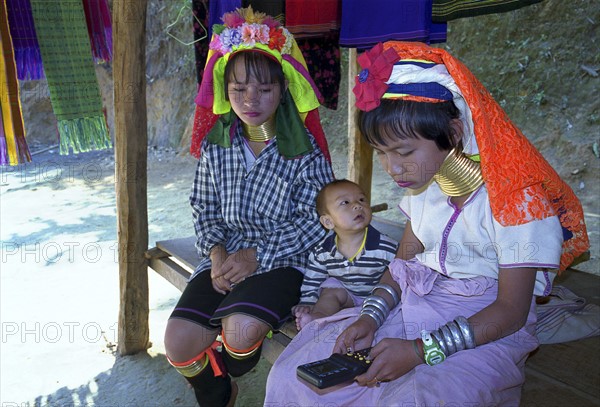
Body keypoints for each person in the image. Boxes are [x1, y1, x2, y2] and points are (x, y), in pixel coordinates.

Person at [265, 41, 589, 406]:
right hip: (413, 309)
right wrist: (371, 318)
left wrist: (421, 351)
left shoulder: (518, 203)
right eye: (381, 152)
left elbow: (511, 311)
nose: (393, 167)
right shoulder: (425, 192)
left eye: (403, 152)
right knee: (298, 375)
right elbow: (402, 265)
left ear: (452, 134)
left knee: (418, 399)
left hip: (485, 329)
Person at [163, 7, 334, 407]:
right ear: (225, 91)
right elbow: (203, 206)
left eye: (264, 90)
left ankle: (236, 361)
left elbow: (319, 221)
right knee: (178, 343)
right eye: (238, 90)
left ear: (284, 89)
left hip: (285, 259)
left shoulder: (304, 152)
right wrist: (217, 252)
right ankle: (219, 387)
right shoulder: (215, 147)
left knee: (239, 332)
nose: (250, 100)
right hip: (225, 259)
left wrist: (257, 255)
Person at [293, 179, 398, 331]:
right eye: (345, 202)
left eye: (362, 199)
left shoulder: (386, 247)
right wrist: (308, 302)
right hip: (348, 295)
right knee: (330, 290)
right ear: (328, 221)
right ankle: (318, 317)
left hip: (378, 298)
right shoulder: (323, 251)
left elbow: (402, 273)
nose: (357, 205)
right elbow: (313, 279)